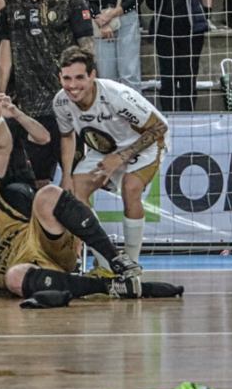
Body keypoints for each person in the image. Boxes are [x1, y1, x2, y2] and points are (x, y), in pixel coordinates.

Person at [0, 92, 171, 302]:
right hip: (23, 273)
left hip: (46, 242)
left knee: (47, 195)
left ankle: (117, 259)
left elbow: (2, 148)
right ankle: (110, 287)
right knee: (13, 278)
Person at [56, 47, 170, 267]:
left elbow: (159, 127)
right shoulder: (61, 102)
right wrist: (67, 175)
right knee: (76, 191)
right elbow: (67, 136)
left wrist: (121, 157)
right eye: (67, 78)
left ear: (92, 75)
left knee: (130, 188)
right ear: (60, 77)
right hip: (106, 148)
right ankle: (107, 262)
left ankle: (131, 263)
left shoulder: (117, 96)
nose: (73, 85)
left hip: (145, 143)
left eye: (79, 77)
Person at [0, 0, 93, 187]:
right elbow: (5, 48)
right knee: (38, 183)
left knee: (75, 181)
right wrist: (0, 91)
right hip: (29, 107)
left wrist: (89, 93)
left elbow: (86, 46)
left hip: (68, 102)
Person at [145, 0, 210, 112]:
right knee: (168, 79)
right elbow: (151, 5)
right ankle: (168, 118)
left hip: (190, 32)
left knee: (188, 78)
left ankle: (188, 118)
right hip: (165, 33)